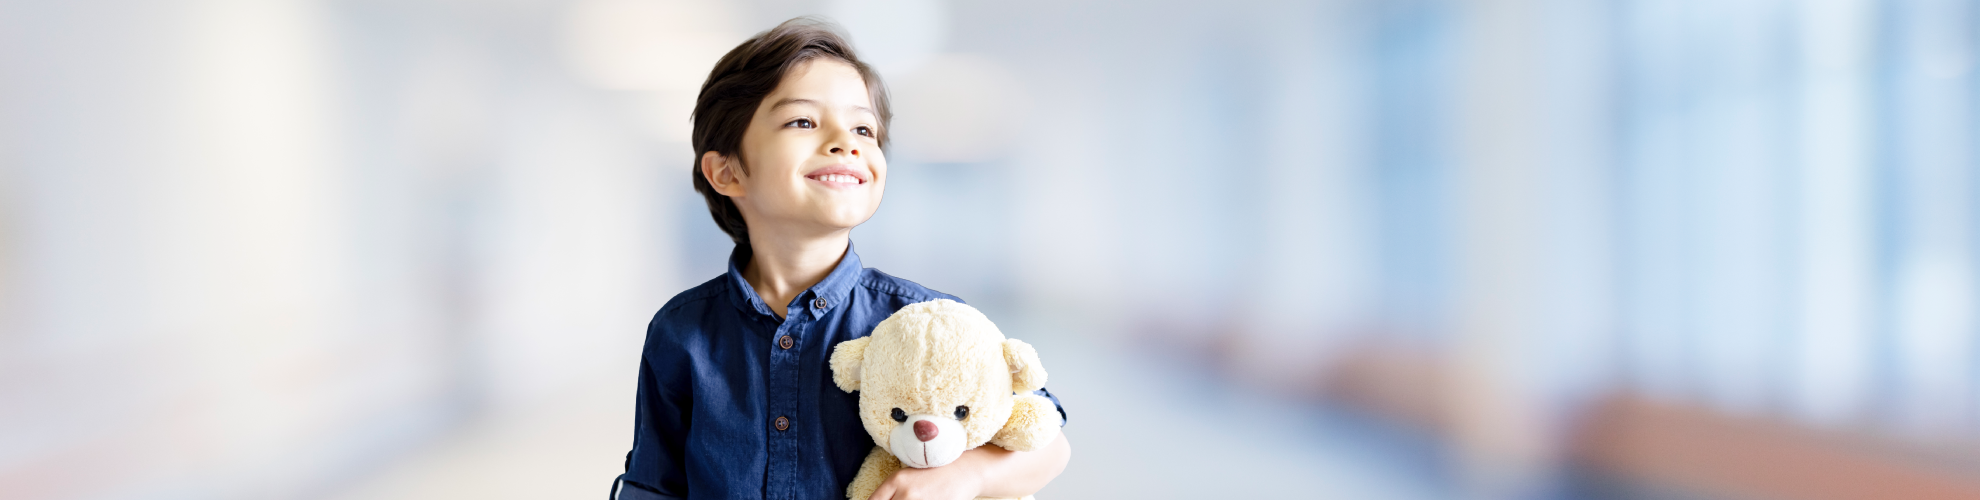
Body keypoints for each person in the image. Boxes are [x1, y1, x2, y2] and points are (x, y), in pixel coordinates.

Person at [611, 17, 1072, 500]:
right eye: (803, 121)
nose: (845, 141)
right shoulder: (682, 332)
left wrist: (968, 476)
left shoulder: (928, 323)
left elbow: (1049, 442)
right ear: (726, 172)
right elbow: (654, 485)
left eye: (863, 128)